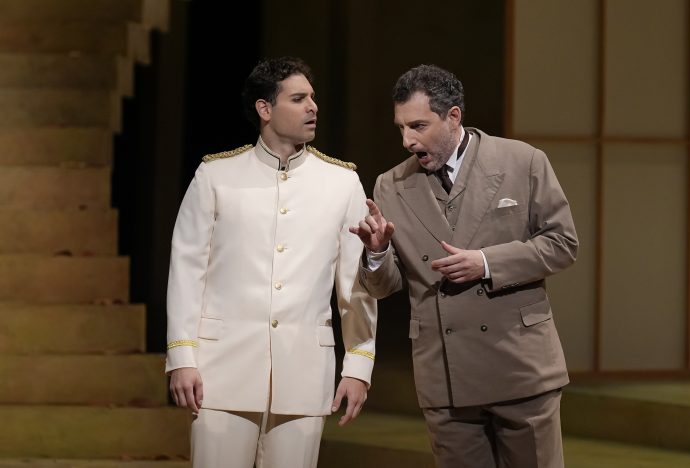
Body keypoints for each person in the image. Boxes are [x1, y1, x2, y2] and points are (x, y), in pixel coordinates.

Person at [350, 64, 578, 468]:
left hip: (520, 366)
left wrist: (487, 263)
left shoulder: (522, 161)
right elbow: (384, 287)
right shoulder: (390, 185)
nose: (407, 140)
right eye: (401, 127)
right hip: (445, 375)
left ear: (453, 116)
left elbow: (562, 244)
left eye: (418, 126)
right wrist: (377, 252)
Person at [165, 56, 377, 468]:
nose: (313, 107)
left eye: (312, 97)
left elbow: (355, 287)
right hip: (219, 373)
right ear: (265, 108)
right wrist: (182, 357)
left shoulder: (342, 182)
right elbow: (186, 272)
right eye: (298, 99)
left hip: (304, 375)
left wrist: (358, 365)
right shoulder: (216, 176)